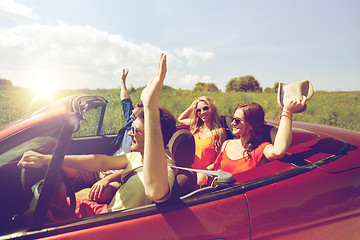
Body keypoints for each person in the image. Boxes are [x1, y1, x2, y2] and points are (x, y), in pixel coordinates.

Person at [18, 53, 177, 215]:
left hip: (109, 222)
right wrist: (49, 159)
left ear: (154, 136)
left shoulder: (166, 168)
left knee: (44, 212)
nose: (130, 134)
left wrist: (150, 106)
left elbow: (156, 192)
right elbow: (101, 161)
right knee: (55, 201)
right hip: (106, 212)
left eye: (136, 130)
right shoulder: (138, 155)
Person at [75, 68, 142, 204]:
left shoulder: (146, 141)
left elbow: (135, 167)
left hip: (119, 176)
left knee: (102, 194)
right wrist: (123, 82)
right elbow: (125, 100)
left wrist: (108, 179)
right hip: (106, 167)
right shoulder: (130, 122)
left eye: (134, 115)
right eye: (131, 114)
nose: (130, 116)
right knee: (69, 169)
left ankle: (65, 199)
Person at [212, 96, 308, 177]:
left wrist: (287, 112)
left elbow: (278, 151)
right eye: (233, 119)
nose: (232, 123)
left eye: (237, 120)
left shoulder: (261, 149)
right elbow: (220, 170)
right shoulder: (227, 144)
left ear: (251, 125)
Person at [178, 96, 227, 186]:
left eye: (205, 108)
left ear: (212, 109)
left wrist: (205, 171)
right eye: (198, 110)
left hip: (206, 173)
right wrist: (192, 107)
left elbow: (220, 159)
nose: (202, 112)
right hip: (191, 170)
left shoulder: (219, 132)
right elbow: (180, 119)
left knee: (198, 180)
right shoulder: (196, 126)